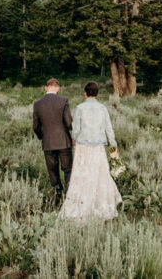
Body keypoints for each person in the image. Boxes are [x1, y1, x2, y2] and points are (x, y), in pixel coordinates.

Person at [59, 80, 122, 221]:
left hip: (83, 147)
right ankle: (100, 205)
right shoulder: (102, 108)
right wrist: (113, 147)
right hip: (98, 147)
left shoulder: (80, 108)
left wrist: (74, 138)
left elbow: (76, 129)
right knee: (99, 175)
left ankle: (82, 204)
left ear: (85, 93)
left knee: (82, 175)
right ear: (97, 93)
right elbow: (109, 129)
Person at [32, 78, 73, 203]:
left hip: (48, 143)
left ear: (46, 88)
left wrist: (41, 136)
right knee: (68, 169)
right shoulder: (63, 101)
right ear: (57, 88)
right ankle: (68, 196)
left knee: (52, 171)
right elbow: (69, 122)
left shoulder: (38, 104)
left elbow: (35, 126)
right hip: (63, 141)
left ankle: (57, 196)